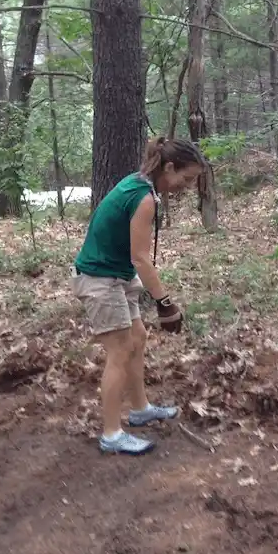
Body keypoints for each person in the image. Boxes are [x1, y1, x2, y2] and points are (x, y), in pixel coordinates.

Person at [72, 137, 207, 455]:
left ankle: (140, 409)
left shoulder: (140, 184)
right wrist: (166, 304)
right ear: (169, 167)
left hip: (115, 275)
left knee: (137, 337)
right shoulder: (143, 197)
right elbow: (141, 258)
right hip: (99, 278)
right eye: (185, 179)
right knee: (119, 351)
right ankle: (111, 434)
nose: (186, 187)